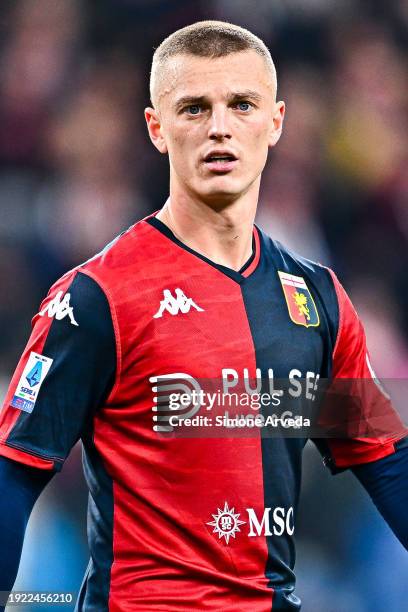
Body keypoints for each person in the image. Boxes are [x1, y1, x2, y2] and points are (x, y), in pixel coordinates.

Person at [0, 20, 407, 612]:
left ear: (276, 122)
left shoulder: (318, 300)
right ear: (157, 128)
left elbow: (388, 462)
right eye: (194, 108)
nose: (219, 127)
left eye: (241, 104)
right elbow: (14, 475)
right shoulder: (97, 297)